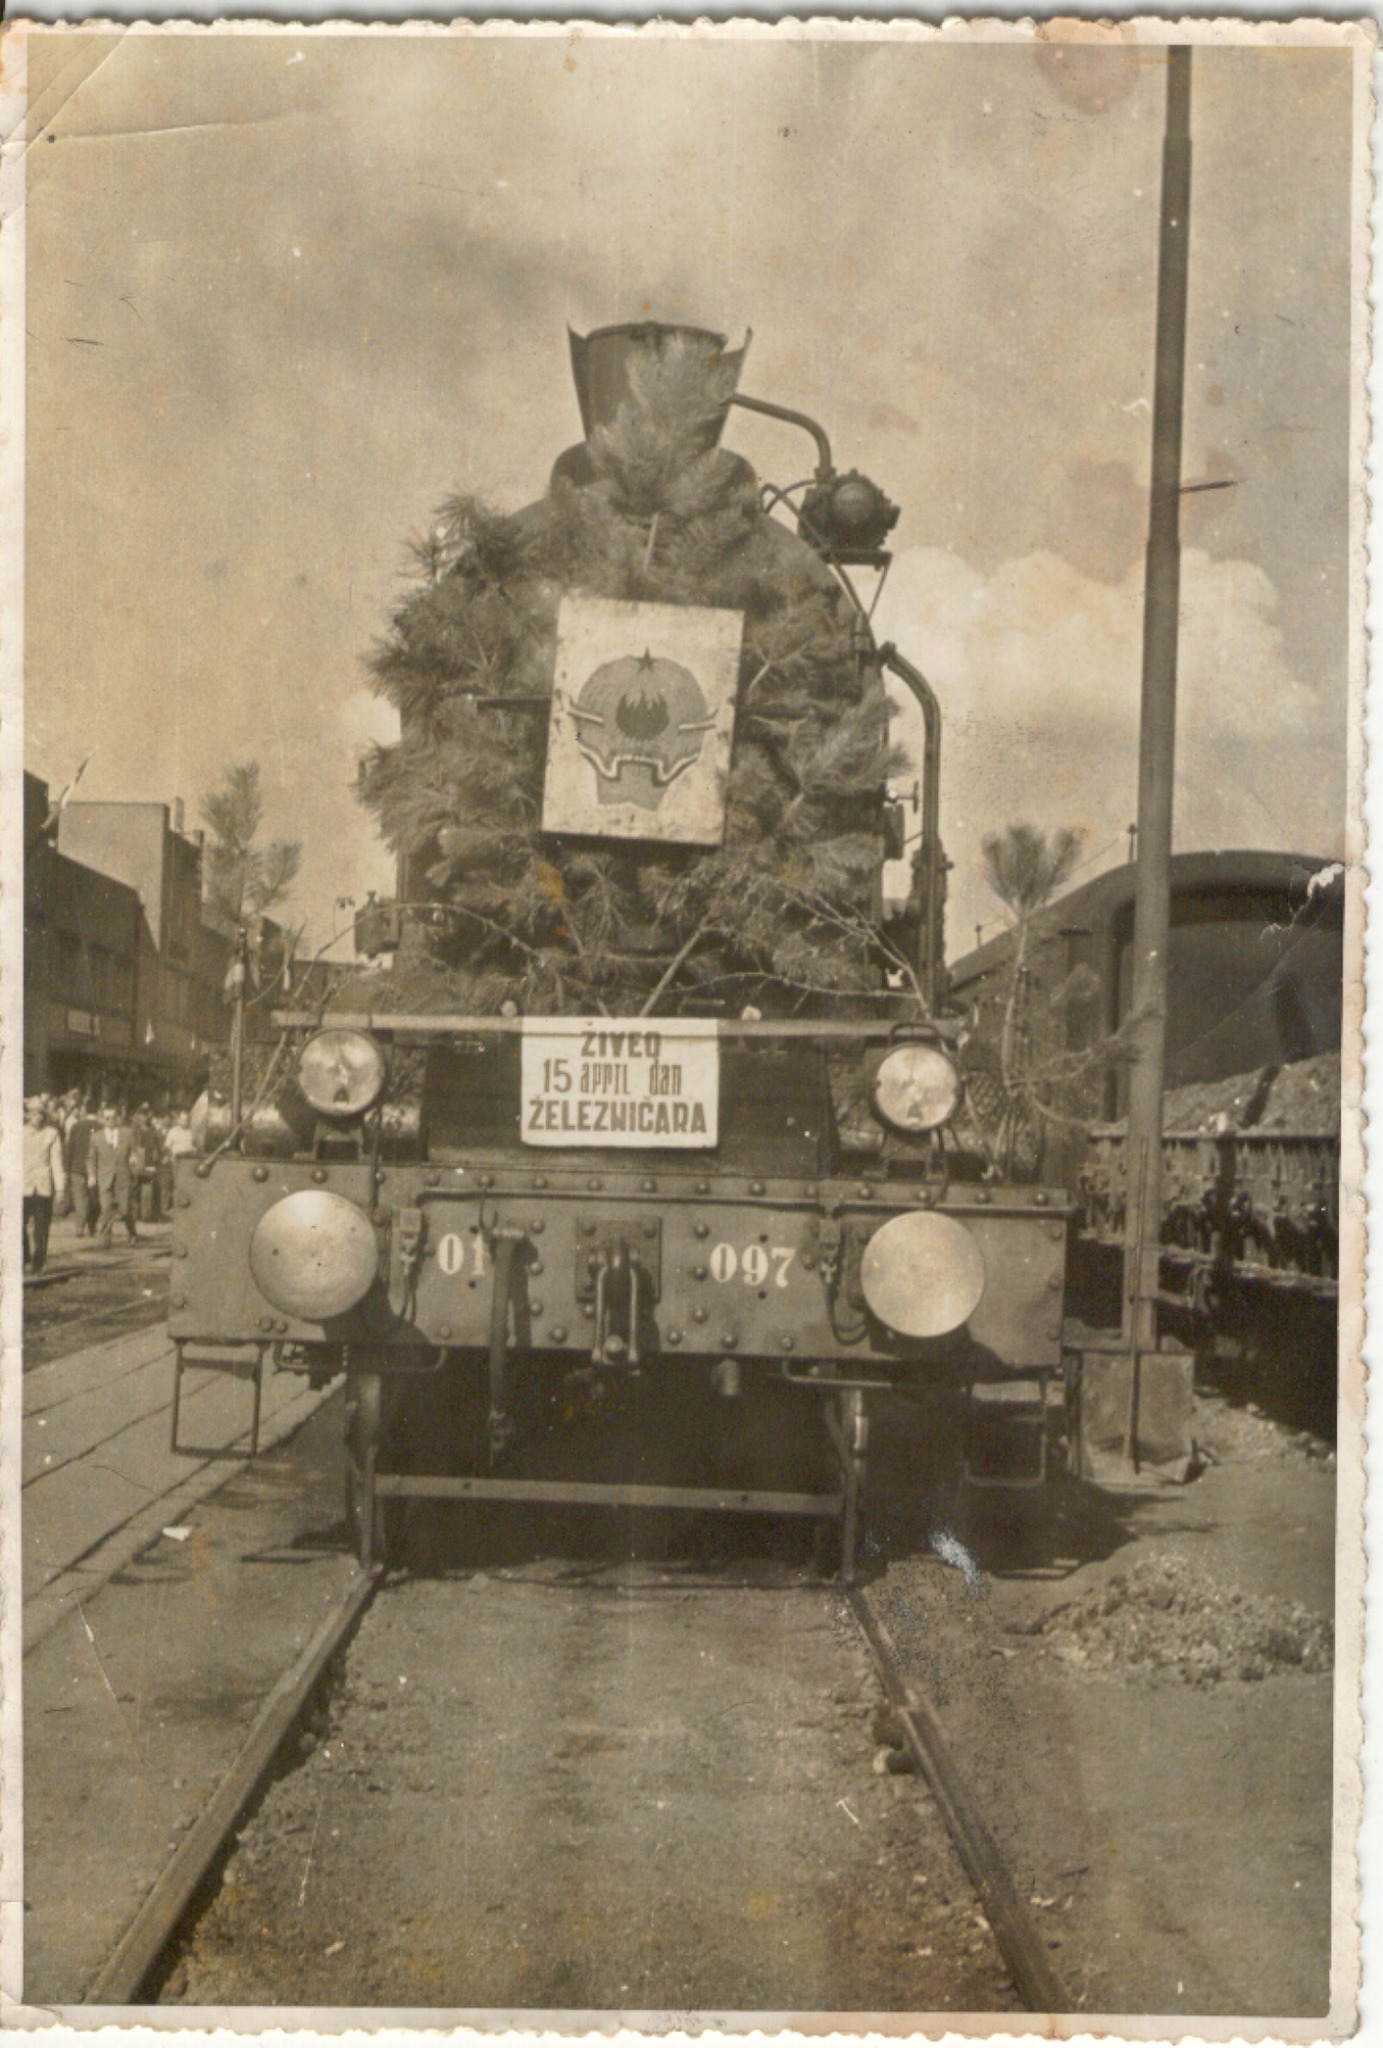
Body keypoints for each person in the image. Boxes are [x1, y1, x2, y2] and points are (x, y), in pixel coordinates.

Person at [23, 1098, 67, 1275]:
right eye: (33, 1113)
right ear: (27, 1115)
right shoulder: (17, 1133)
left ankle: (39, 1261)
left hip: (43, 1185)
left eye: (40, 1113)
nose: (37, 1117)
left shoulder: (52, 1133)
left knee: (41, 1226)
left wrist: (60, 1188)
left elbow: (57, 1162)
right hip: (22, 1186)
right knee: (18, 1224)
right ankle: (24, 1256)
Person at [89, 1104, 141, 1247]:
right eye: (107, 1118)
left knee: (125, 1210)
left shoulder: (127, 1133)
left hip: (123, 1176)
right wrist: (92, 1175)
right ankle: (104, 1239)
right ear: (102, 1119)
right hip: (105, 1178)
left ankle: (132, 1232)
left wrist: (134, 1159)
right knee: (106, 1208)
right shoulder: (96, 1137)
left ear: (118, 1118)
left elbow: (135, 1151)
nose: (110, 1120)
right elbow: (91, 1159)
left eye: (113, 1117)